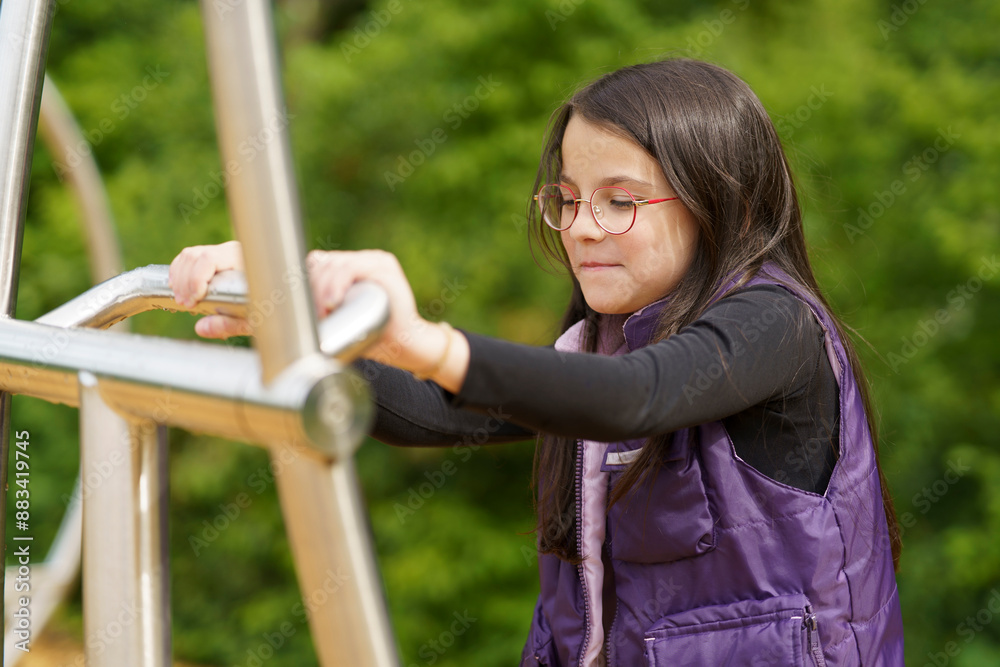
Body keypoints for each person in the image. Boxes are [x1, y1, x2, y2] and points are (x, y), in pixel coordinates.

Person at [169, 58, 903, 666]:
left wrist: (425, 337)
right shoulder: (598, 342)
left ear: (727, 205)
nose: (583, 228)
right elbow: (428, 409)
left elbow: (634, 397)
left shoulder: (776, 323)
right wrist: (279, 311)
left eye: (621, 201)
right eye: (568, 198)